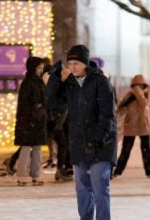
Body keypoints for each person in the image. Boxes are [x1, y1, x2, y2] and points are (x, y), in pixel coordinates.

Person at [45, 45, 117, 220]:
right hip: (78, 143)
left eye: (76, 63)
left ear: (85, 63)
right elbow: (51, 102)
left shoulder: (101, 82)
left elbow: (107, 115)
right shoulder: (70, 84)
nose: (73, 67)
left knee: (100, 187)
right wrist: (54, 78)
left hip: (101, 144)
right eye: (70, 63)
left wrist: (97, 139)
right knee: (82, 189)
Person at [114, 74, 150, 178]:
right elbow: (120, 108)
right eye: (136, 86)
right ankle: (118, 171)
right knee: (126, 149)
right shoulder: (129, 95)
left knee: (146, 149)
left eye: (140, 85)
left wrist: (137, 92)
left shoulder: (147, 94)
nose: (138, 87)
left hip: (143, 125)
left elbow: (144, 104)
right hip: (131, 125)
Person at [14, 56, 48, 186]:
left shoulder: (39, 82)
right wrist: (37, 110)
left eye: (42, 68)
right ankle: (22, 174)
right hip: (28, 121)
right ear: (33, 68)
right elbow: (24, 104)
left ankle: (37, 174)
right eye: (39, 68)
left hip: (38, 120)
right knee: (26, 147)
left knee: (37, 148)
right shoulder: (28, 83)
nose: (41, 70)